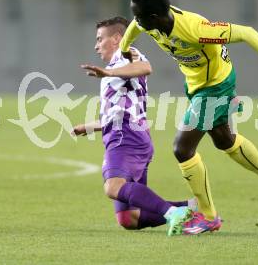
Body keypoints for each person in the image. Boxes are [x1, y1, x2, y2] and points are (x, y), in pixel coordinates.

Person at [119, 0, 258, 235]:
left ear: (154, 17)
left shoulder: (195, 29)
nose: (135, 20)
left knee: (182, 148)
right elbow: (134, 28)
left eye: (138, 16)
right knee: (224, 140)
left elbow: (248, 33)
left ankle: (209, 216)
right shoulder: (150, 23)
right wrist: (124, 49)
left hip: (215, 86)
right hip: (196, 84)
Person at [72, 16, 197, 236]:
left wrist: (109, 73)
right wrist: (89, 126)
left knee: (112, 187)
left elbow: (146, 67)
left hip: (126, 137)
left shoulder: (125, 54)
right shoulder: (116, 66)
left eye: (100, 39)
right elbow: (120, 111)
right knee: (129, 218)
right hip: (130, 135)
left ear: (117, 38)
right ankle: (192, 209)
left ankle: (172, 213)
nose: (96, 45)